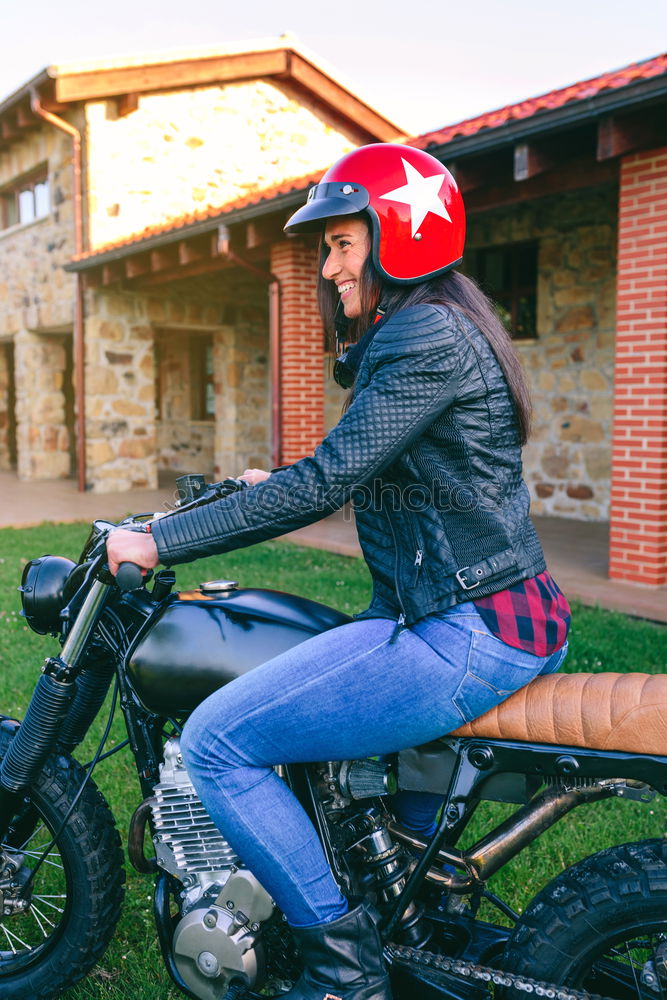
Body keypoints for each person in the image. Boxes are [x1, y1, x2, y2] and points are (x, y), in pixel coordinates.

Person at [107, 143, 570, 1000]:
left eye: (341, 245)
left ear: (399, 235)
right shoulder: (439, 326)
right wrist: (268, 484)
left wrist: (160, 541)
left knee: (217, 742)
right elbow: (378, 472)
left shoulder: (423, 333)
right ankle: (410, 923)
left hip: (465, 628)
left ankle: (340, 963)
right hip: (482, 612)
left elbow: (327, 483)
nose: (327, 267)